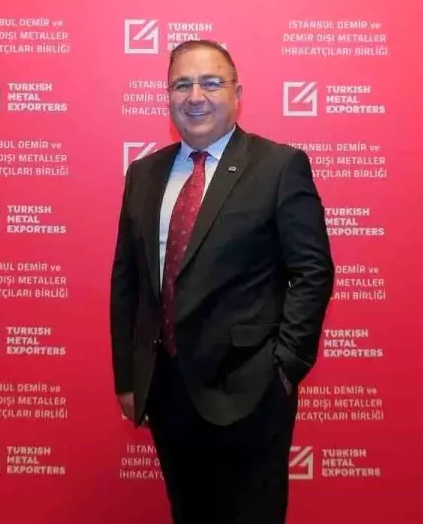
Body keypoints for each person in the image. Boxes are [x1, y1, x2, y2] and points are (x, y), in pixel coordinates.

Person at [110, 39, 335, 523]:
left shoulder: (278, 166)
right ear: (168, 95)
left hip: (251, 389)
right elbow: (127, 283)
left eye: (211, 83)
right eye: (182, 84)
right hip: (168, 390)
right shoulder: (143, 175)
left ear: (237, 93)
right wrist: (128, 378)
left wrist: (285, 367)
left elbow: (313, 271)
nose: (195, 96)